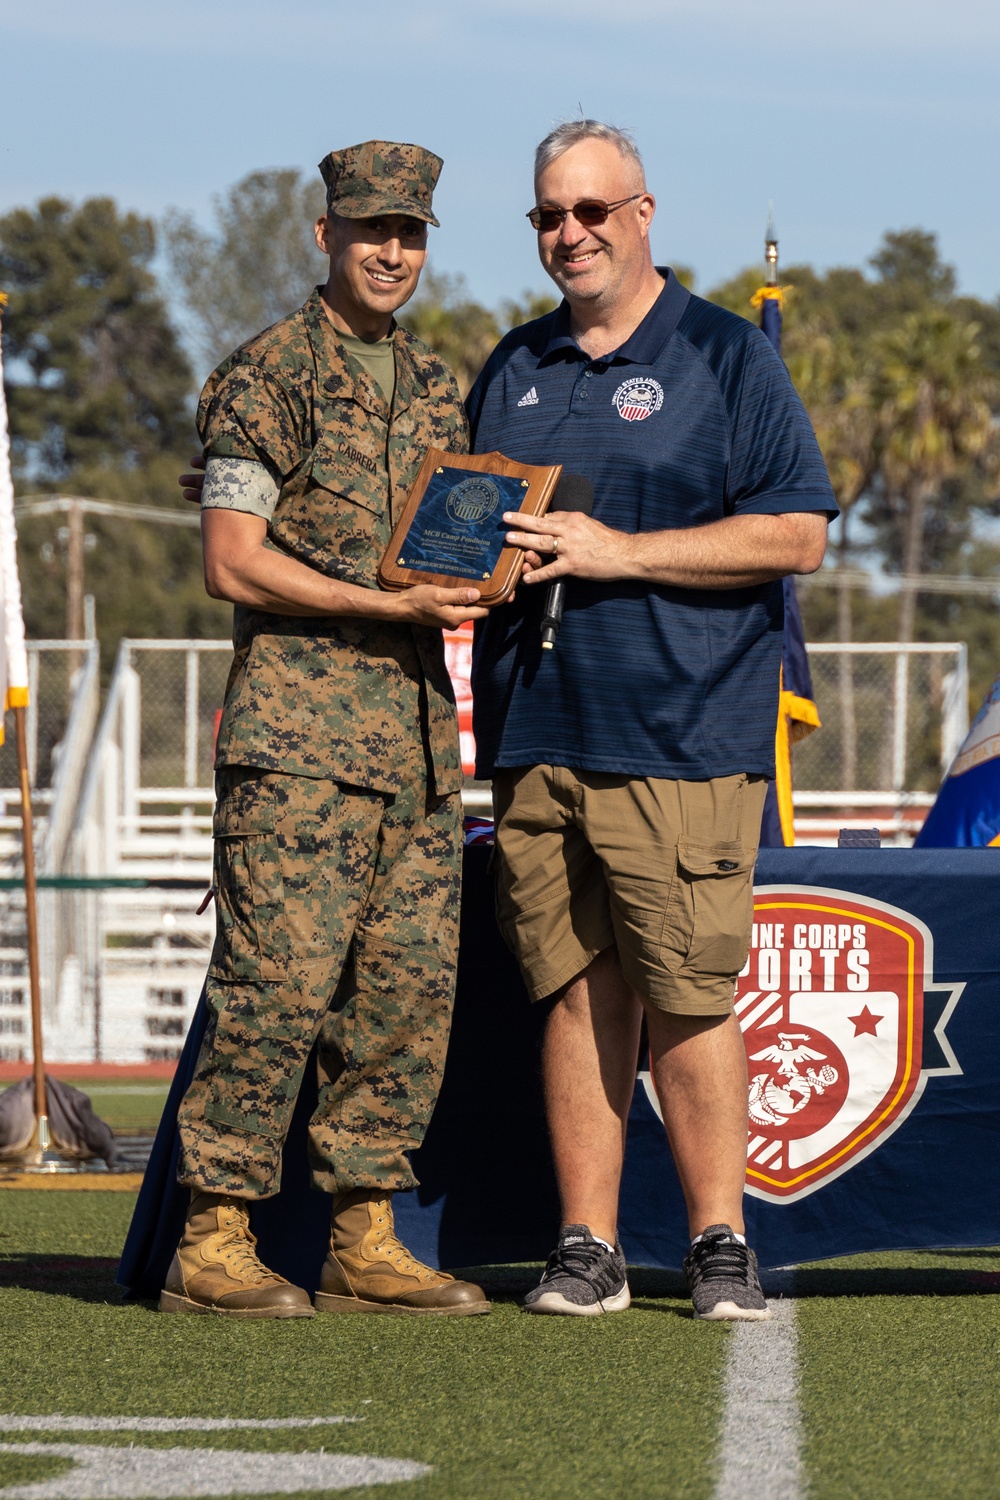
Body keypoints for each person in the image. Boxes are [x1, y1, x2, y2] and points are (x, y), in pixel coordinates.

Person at [467, 121, 836, 1320]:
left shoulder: (727, 355)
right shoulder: (512, 364)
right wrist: (473, 571)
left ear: (642, 214)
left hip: (678, 733)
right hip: (536, 731)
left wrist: (619, 555)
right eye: (546, 216)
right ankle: (587, 1246)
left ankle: (717, 1239)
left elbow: (795, 534)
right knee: (575, 992)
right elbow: (474, 532)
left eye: (589, 212)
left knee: (686, 990)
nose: (566, 235)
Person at [164, 140, 491, 1319]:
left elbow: (454, 545)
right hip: (298, 746)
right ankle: (213, 1240)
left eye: (409, 234)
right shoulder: (267, 377)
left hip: (413, 748)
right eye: (371, 232)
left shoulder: (442, 384)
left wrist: (487, 573)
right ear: (326, 237)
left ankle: (363, 1236)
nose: (392, 253)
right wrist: (390, 602)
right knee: (276, 988)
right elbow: (231, 563)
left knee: (403, 1000)